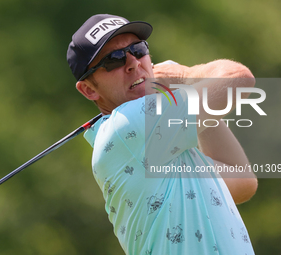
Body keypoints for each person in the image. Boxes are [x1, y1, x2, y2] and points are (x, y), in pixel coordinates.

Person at [67, 14, 258, 255]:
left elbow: (242, 181)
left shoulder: (162, 142)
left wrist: (181, 91)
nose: (133, 63)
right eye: (113, 59)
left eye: (137, 50)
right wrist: (182, 77)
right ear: (88, 89)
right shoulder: (127, 126)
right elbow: (238, 80)